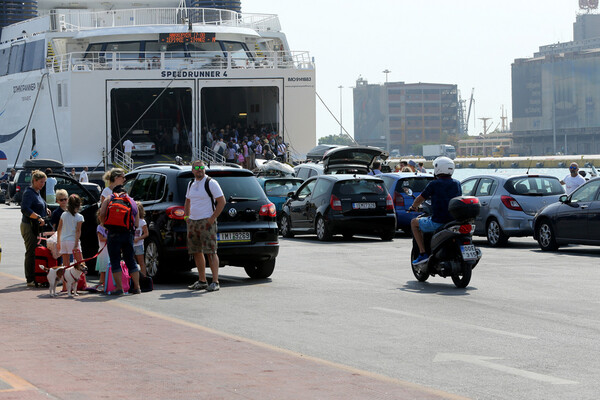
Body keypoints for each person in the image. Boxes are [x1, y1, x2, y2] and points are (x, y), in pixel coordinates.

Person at [408, 157, 462, 266]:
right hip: (454, 221)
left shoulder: (434, 184)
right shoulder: (457, 183)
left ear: (438, 168)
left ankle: (423, 253)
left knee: (414, 223)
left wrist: (413, 206)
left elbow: (420, 198)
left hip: (438, 222)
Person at [185, 160, 225, 292]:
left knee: (211, 252)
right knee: (196, 251)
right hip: (193, 222)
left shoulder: (211, 183)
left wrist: (212, 218)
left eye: (201, 167)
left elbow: (221, 201)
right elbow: (188, 200)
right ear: (192, 170)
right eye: (196, 168)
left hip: (206, 221)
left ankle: (215, 281)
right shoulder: (191, 183)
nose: (199, 169)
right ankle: (202, 280)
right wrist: (187, 217)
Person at [99, 185, 141, 295]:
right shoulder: (132, 201)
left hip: (113, 233)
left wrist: (105, 225)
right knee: (130, 260)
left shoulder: (109, 199)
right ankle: (137, 287)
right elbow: (136, 223)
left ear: (114, 192)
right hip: (128, 234)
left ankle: (119, 288)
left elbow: (102, 213)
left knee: (115, 260)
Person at [20, 170, 50, 286]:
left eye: (44, 182)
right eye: (41, 182)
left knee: (37, 251)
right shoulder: (29, 192)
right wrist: (38, 217)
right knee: (31, 251)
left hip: (37, 227)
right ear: (34, 181)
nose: (43, 184)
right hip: (29, 226)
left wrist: (46, 209)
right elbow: (25, 209)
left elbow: (39, 203)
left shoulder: (37, 192)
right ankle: (30, 279)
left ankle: (38, 276)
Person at [56, 194, 84, 268]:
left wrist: (58, 241)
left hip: (63, 241)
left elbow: (59, 229)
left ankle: (66, 279)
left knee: (66, 264)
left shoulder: (63, 214)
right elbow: (78, 231)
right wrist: (76, 244)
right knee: (80, 262)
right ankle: (80, 278)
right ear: (79, 205)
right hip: (73, 241)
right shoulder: (79, 217)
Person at [133, 201, 148, 277]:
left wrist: (138, 238)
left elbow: (146, 233)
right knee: (132, 262)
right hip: (131, 244)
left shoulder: (142, 222)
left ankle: (144, 277)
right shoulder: (131, 221)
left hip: (139, 245)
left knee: (141, 262)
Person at [95, 210, 109, 292]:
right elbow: (101, 239)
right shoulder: (99, 227)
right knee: (103, 268)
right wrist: (110, 239)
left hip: (108, 249)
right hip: (103, 250)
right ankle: (103, 283)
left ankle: (105, 283)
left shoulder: (109, 227)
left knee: (107, 267)